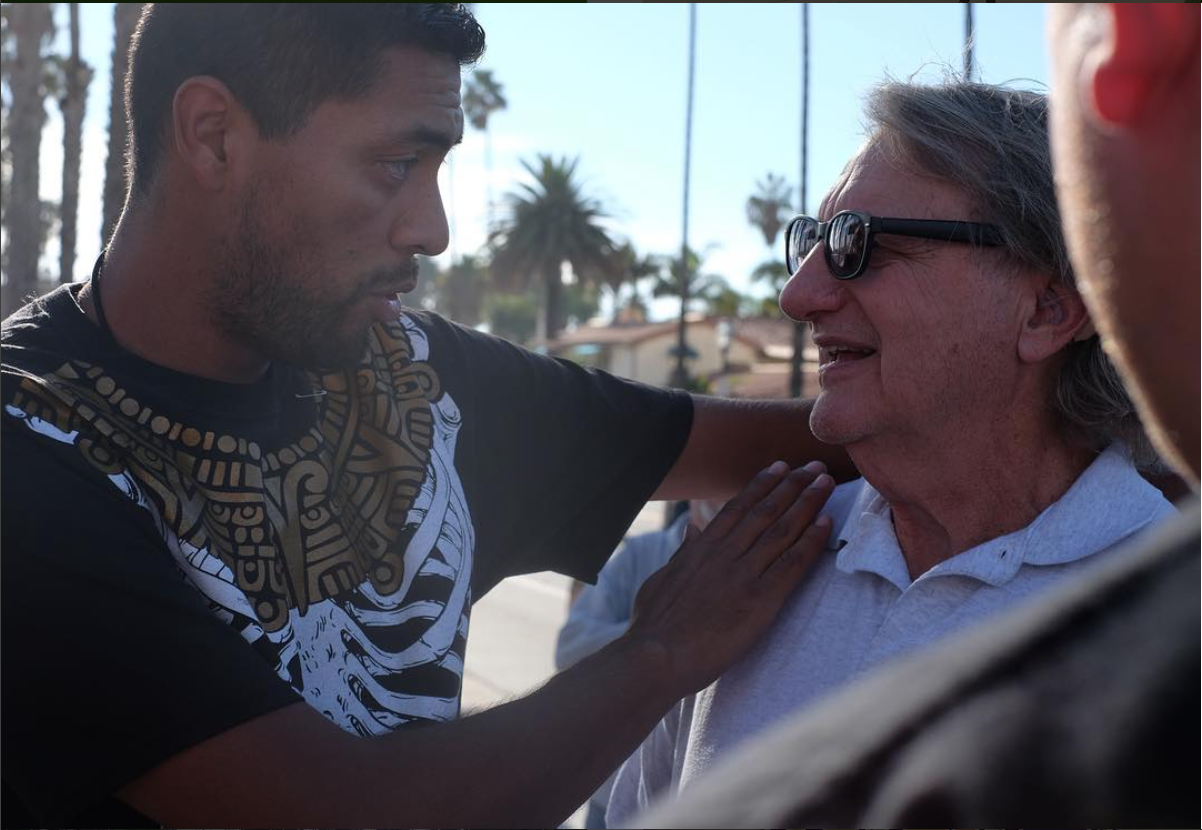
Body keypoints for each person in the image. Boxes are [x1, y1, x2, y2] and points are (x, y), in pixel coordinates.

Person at [0, 5, 853, 828]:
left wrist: (952, 388)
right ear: (214, 135)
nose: (434, 229)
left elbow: (762, 440)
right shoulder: (28, 449)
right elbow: (350, 813)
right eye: (395, 165)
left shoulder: (412, 376)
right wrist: (660, 653)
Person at [633, 3, 1198, 826]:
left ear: (1046, 309)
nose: (800, 296)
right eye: (809, 242)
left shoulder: (1167, 625)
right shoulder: (748, 559)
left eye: (858, 243)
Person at [555, 500, 723, 828]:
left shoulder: (763, 561)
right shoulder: (642, 553)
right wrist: (660, 633)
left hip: (701, 795)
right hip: (613, 788)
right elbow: (570, 646)